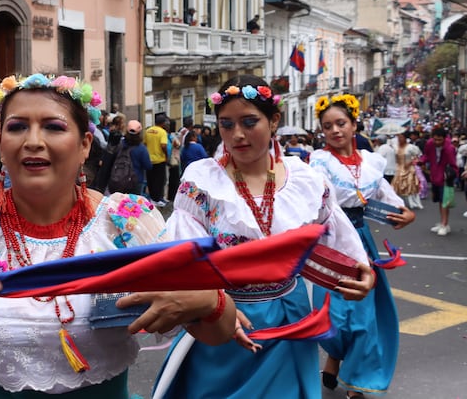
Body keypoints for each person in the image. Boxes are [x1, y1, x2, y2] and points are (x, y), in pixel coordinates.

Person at [0, 73, 235, 397]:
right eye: (17, 127)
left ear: (85, 145)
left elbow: (217, 330)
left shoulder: (127, 221)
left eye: (54, 127)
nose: (33, 141)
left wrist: (208, 302)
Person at [155, 76, 373, 399]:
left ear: (274, 121)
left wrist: (361, 271)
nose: (237, 134)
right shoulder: (201, 180)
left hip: (290, 318)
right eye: (226, 124)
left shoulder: (306, 179)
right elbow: (184, 255)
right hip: (225, 319)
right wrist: (213, 307)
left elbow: (336, 233)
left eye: (249, 122)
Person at [310, 94, 415, 398]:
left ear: (354, 125)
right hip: (329, 245)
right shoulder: (319, 162)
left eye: (341, 123)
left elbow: (389, 200)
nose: (335, 131)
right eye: (327, 126)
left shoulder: (370, 163)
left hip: (361, 243)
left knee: (362, 317)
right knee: (334, 316)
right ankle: (334, 358)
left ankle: (357, 383)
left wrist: (404, 214)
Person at [420, 127, 457, 236]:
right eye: (435, 139)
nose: (437, 142)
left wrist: (451, 176)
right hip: (435, 175)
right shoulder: (430, 144)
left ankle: (445, 224)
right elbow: (426, 156)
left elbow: (453, 165)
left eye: (439, 140)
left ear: (445, 139)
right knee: (440, 201)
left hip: (445, 177)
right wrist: (421, 161)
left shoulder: (449, 149)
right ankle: (443, 223)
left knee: (445, 201)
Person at [393, 131, 423, 210]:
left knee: (410, 185)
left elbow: (418, 157)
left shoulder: (411, 147)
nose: (399, 139)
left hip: (409, 169)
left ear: (405, 138)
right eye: (398, 137)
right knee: (397, 186)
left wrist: (410, 162)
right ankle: (398, 202)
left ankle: (414, 202)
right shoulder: (395, 147)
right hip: (399, 168)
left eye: (401, 137)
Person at [145, 114, 169, 206]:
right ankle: (157, 198)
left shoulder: (148, 131)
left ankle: (152, 198)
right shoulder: (162, 132)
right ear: (162, 123)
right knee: (159, 180)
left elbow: (145, 143)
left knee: (150, 179)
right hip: (159, 159)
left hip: (149, 159)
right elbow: (163, 145)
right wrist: (166, 155)